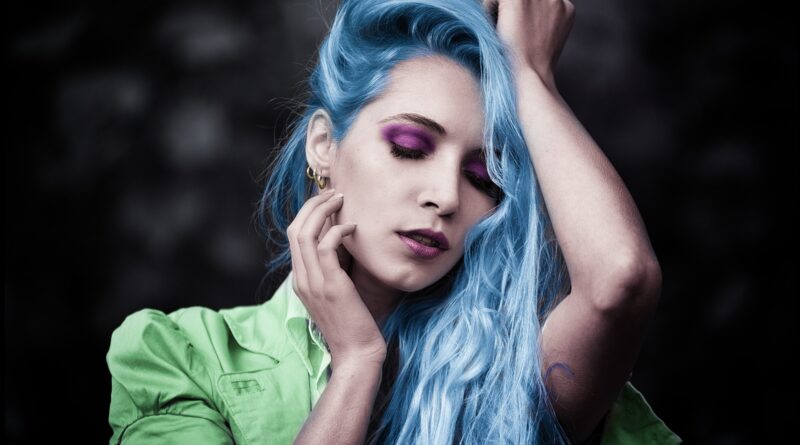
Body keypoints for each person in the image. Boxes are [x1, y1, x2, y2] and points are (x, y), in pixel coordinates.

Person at [106, 0, 682, 444]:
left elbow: (621, 281)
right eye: (409, 147)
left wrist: (529, 74)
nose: (445, 197)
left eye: (483, 178)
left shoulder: (511, 375)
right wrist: (358, 363)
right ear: (324, 145)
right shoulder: (181, 356)